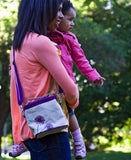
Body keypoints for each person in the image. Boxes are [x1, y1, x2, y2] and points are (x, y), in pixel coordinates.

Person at [9, 0, 79, 159]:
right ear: (44, 9)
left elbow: (15, 95)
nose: (61, 16)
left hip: (32, 130)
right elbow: (71, 92)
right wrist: (72, 105)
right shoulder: (41, 42)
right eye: (58, 10)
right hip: (52, 131)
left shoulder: (18, 44)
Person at [47, 0, 106, 158]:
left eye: (73, 20)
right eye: (70, 19)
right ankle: (21, 141)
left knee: (70, 112)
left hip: (64, 83)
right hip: (46, 85)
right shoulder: (43, 36)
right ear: (56, 17)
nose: (72, 23)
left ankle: (79, 142)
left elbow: (81, 60)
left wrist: (93, 76)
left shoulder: (70, 39)